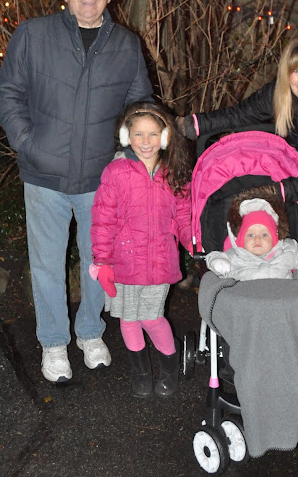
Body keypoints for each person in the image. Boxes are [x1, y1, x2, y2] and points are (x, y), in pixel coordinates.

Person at [0, 0, 153, 383]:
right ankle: (53, 342)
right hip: (44, 174)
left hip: (100, 178)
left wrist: (128, 157)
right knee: (47, 264)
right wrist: (27, 143)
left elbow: (140, 106)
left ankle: (89, 332)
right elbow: (8, 92)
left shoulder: (126, 44)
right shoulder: (34, 34)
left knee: (99, 261)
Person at [178, 33, 298, 373]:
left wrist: (279, 191)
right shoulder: (280, 94)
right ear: (287, 73)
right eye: (297, 71)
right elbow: (240, 115)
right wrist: (198, 125)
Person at [90, 102, 193, 398]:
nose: (145, 141)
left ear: (165, 136)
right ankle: (141, 373)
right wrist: (102, 260)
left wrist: (193, 243)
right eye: (138, 134)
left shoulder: (174, 173)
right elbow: (103, 219)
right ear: (127, 136)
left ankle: (169, 368)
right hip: (124, 261)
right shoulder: (115, 172)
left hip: (160, 261)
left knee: (151, 318)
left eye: (152, 134)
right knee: (129, 319)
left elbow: (184, 216)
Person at [206, 191, 298, 281]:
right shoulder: (236, 256)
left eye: (264, 234)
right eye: (250, 235)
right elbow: (216, 256)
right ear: (240, 240)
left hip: (283, 306)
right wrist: (218, 262)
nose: (257, 239)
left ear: (275, 237)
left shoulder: (287, 250)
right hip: (247, 308)